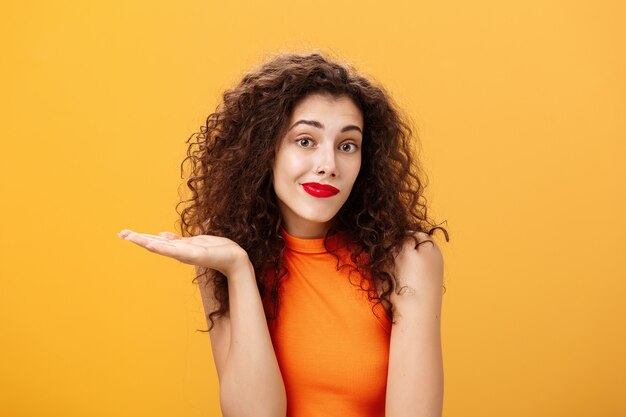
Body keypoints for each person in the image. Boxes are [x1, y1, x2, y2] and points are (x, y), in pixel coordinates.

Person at [118, 51, 449, 417]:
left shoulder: (408, 258)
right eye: (305, 140)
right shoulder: (224, 250)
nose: (328, 166)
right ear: (265, 149)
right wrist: (237, 269)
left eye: (347, 145)